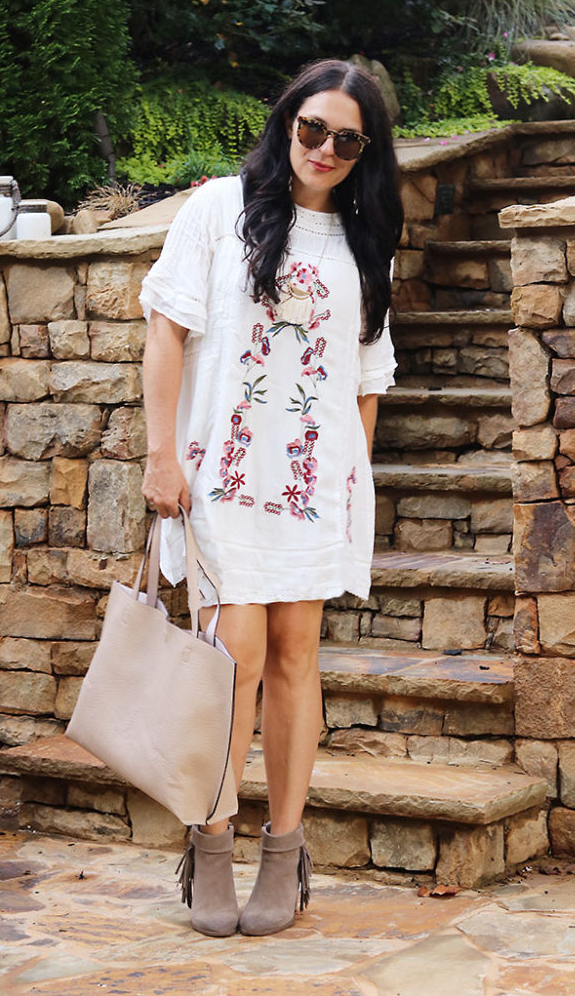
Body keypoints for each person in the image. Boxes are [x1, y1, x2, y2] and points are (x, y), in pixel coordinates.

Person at [139, 58, 403, 938]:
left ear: (366, 152)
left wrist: (346, 481)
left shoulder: (365, 243)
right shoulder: (217, 209)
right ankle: (208, 841)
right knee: (231, 659)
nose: (324, 149)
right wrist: (160, 458)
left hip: (310, 486)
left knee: (294, 656)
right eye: (311, 129)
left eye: (346, 139)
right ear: (286, 121)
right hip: (217, 478)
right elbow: (167, 335)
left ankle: (283, 855)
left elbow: (366, 379)